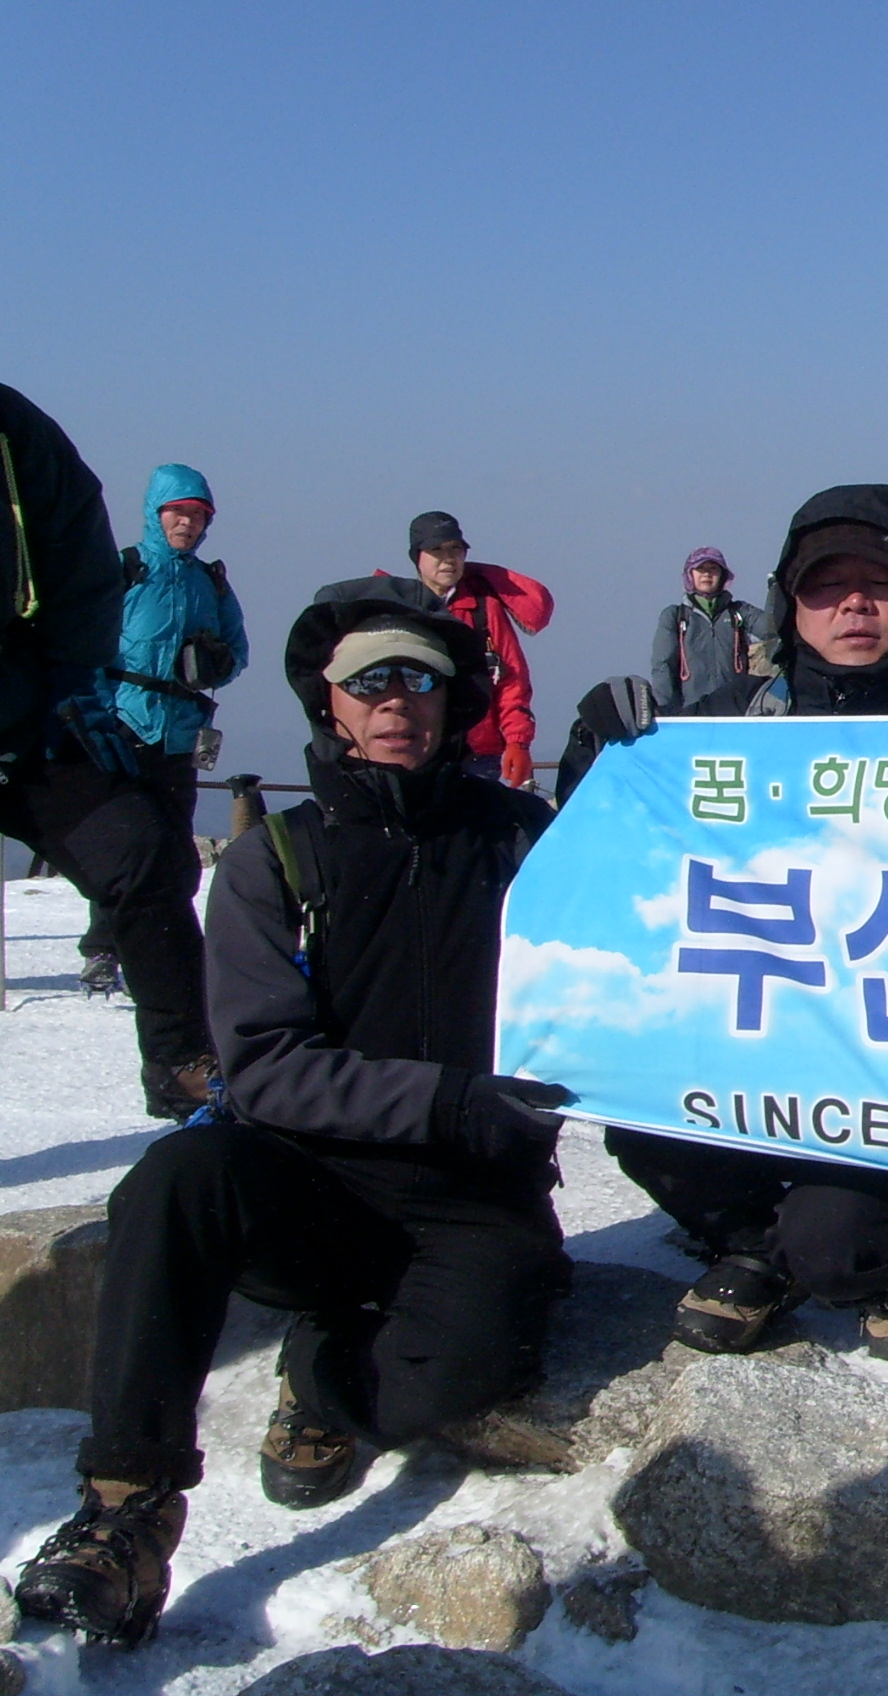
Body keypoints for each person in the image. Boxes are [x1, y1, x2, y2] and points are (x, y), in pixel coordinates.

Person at [13, 593, 570, 1650]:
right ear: (331, 703)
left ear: (455, 701)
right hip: (316, 1183)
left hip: (474, 1193)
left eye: (419, 680)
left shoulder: (526, 842)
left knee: (453, 1383)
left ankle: (321, 1367)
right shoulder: (281, 859)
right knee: (176, 1180)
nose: (395, 702)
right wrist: (445, 1096)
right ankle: (124, 1508)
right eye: (369, 683)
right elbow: (262, 1068)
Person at [559, 485, 888, 1364]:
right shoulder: (721, 725)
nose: (853, 603)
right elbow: (607, 857)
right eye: (824, 584)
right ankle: (753, 1246)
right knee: (644, 1115)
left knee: (840, 1243)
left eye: (880, 581)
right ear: (785, 602)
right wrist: (597, 750)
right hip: (758, 1046)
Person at [0, 389, 221, 1119]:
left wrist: (70, 674)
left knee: (141, 853)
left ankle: (185, 1063)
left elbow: (75, 548)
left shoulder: (13, 429)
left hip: (27, 721)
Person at [73, 463, 249, 999]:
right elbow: (85, 645)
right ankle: (103, 950)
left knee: (173, 850)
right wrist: (99, 715)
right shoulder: (123, 570)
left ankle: (163, 953)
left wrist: (218, 664)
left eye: (198, 516)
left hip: (179, 734)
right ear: (157, 513)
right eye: (179, 513)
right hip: (121, 727)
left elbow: (238, 650)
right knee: (125, 849)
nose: (188, 524)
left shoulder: (211, 583)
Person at [409, 511, 554, 788]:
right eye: (436, 550)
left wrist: (518, 743)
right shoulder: (401, 611)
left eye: (455, 549)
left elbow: (512, 680)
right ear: (418, 557)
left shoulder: (485, 610)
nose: (448, 559)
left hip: (480, 756)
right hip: (419, 750)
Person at [648, 546, 770, 710]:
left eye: (713, 568)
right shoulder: (675, 616)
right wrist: (664, 710)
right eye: (700, 568)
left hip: (735, 711)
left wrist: (777, 592)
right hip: (691, 713)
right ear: (690, 575)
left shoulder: (739, 612)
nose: (707, 574)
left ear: (722, 575)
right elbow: (663, 664)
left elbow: (774, 628)